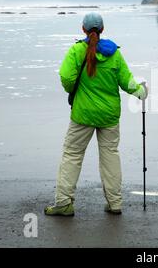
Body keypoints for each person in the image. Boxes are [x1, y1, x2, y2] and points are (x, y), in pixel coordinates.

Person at [45, 12, 147, 216]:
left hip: (83, 114)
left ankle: (64, 202)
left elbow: (66, 77)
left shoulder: (76, 51)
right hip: (109, 115)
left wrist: (74, 89)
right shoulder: (115, 54)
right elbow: (127, 82)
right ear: (102, 29)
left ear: (83, 29)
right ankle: (115, 203)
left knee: (72, 155)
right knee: (110, 156)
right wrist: (140, 91)